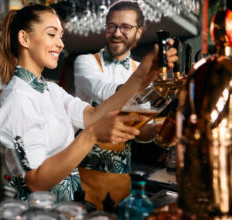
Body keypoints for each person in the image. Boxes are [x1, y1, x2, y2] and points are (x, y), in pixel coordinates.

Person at [0, 4, 177, 202]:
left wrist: (142, 76)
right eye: (52, 34)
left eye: (61, 36)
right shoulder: (18, 96)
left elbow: (92, 116)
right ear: (24, 39)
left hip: (63, 207)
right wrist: (92, 134)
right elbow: (36, 181)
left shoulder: (51, 90)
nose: (61, 44)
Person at [73, 1, 161, 210]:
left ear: (138, 33)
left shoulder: (141, 69)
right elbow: (103, 91)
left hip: (121, 179)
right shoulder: (85, 62)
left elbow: (142, 131)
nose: (116, 33)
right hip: (82, 174)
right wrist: (141, 80)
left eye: (126, 27)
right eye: (111, 26)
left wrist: (157, 130)